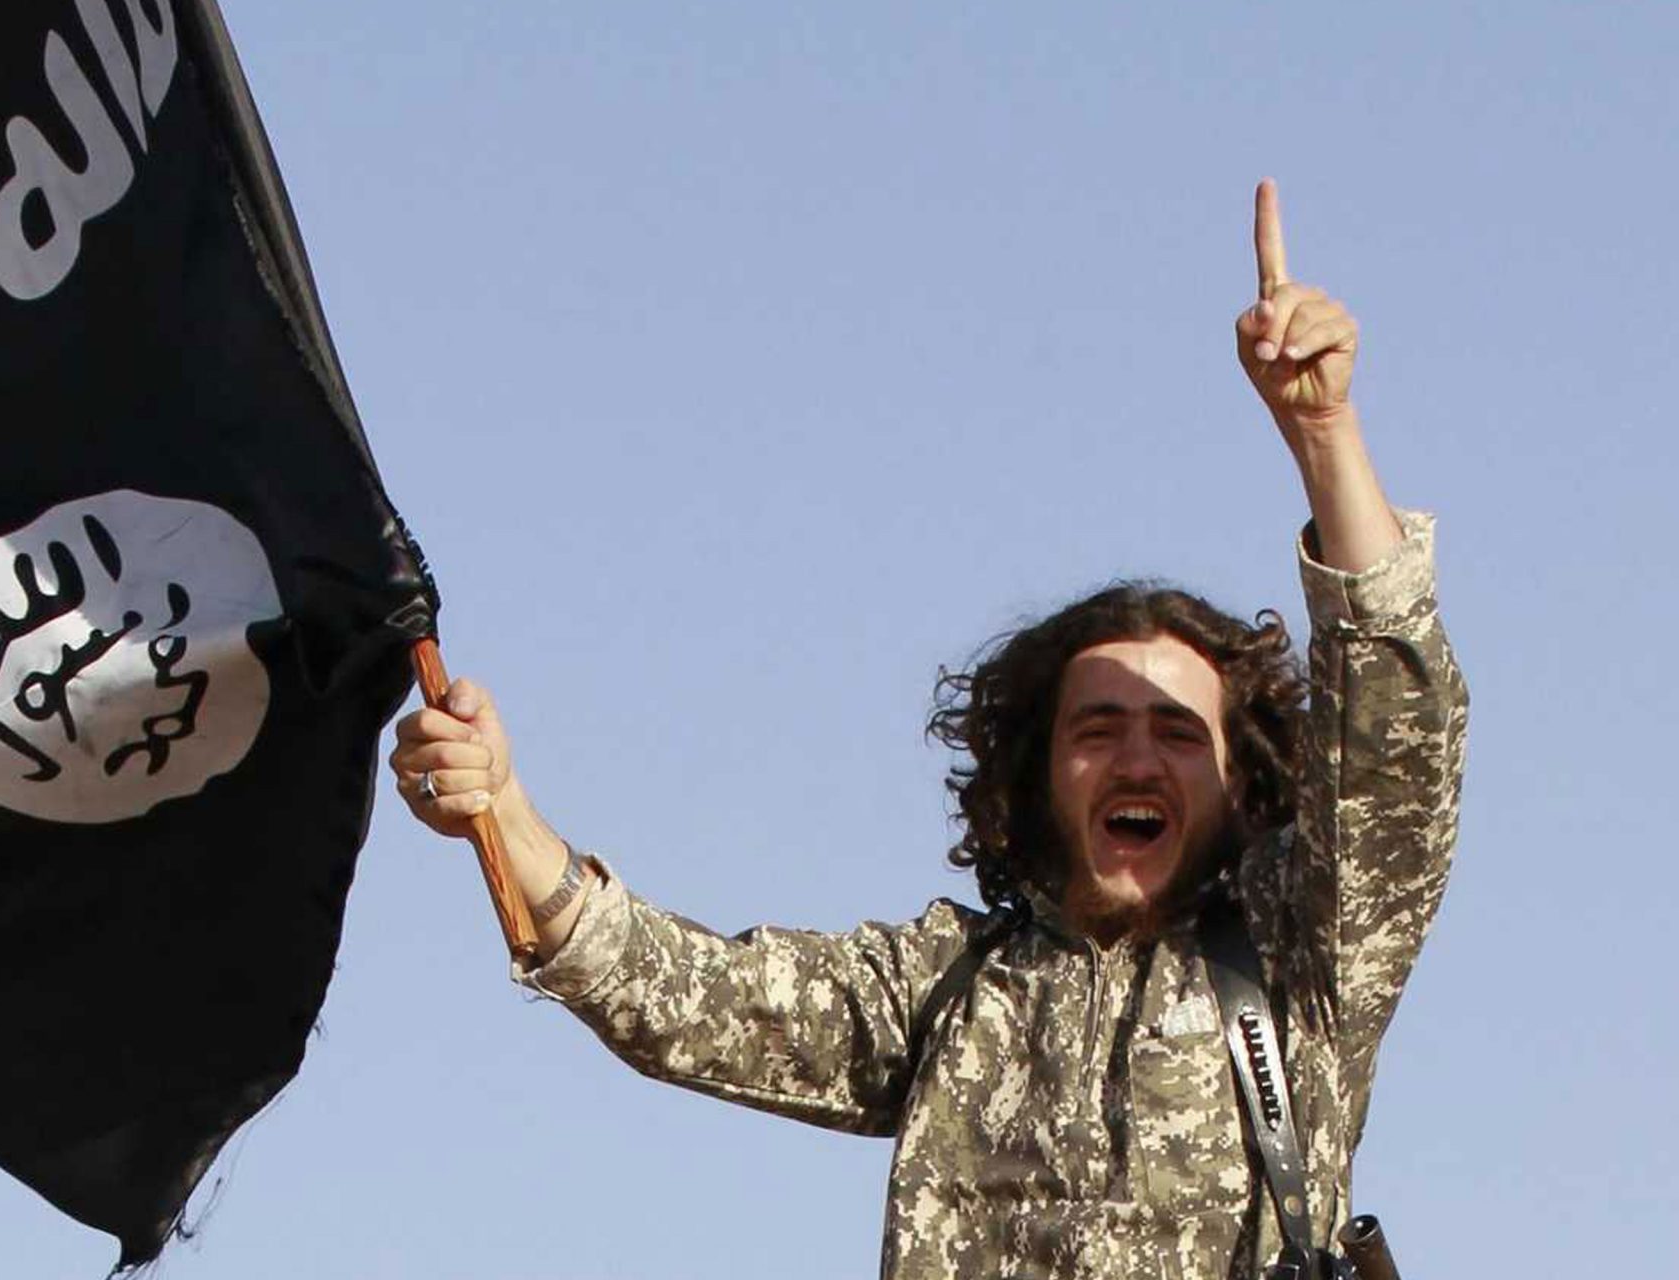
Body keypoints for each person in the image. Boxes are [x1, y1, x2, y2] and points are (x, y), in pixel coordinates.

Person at [390, 179, 1467, 1279]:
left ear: (1242, 783)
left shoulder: (1300, 958)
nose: (1138, 757)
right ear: (1037, 773)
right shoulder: (952, 986)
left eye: (1180, 733)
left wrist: (1324, 434)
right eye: (1098, 728)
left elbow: (1395, 753)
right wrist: (504, 811)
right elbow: (684, 994)